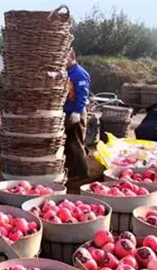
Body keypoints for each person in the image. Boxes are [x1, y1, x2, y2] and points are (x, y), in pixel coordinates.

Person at [64, 49, 90, 180]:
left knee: (76, 143)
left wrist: (78, 111)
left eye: (65, 58)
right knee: (68, 143)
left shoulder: (79, 74)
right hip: (66, 112)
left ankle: (82, 173)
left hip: (76, 113)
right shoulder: (66, 73)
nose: (63, 61)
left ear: (72, 57)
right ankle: (71, 171)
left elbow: (82, 95)